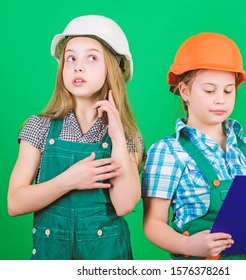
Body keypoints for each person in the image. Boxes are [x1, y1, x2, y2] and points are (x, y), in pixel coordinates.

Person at [8, 15, 144, 260]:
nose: (78, 66)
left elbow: (125, 204)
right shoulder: (38, 127)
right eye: (71, 58)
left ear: (111, 68)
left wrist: (117, 136)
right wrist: (70, 180)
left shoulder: (127, 135)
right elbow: (15, 203)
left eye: (92, 57)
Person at [142, 32, 246, 260]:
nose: (220, 99)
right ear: (185, 91)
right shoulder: (168, 152)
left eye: (228, 90)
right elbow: (153, 223)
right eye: (210, 90)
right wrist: (187, 245)